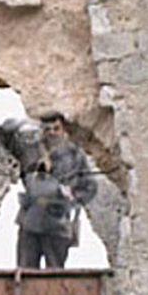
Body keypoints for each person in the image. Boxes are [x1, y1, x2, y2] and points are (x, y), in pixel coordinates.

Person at [15, 111, 97, 269]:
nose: (52, 133)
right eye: (47, 129)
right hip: (30, 220)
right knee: (25, 270)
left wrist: (71, 196)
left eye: (56, 128)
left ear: (63, 129)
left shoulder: (75, 154)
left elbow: (89, 187)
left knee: (55, 271)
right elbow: (25, 176)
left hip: (57, 220)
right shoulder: (33, 151)